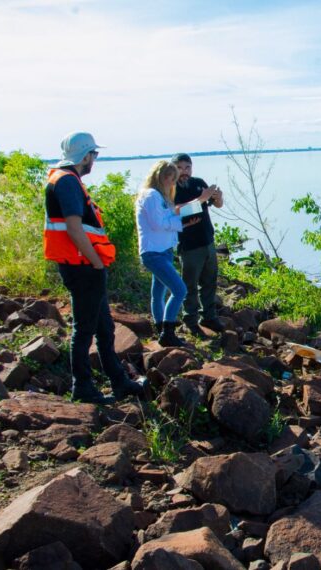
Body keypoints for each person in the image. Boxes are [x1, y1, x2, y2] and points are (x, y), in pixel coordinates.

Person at [43, 132, 146, 404]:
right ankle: (83, 388)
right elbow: (74, 228)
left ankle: (119, 381)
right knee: (85, 329)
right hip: (82, 266)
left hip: (81, 264)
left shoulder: (64, 179)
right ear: (85, 156)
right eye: (94, 154)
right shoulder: (67, 181)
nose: (95, 160)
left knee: (104, 327)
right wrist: (97, 262)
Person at [135, 160, 214, 346]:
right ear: (160, 177)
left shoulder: (161, 196)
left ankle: (160, 328)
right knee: (180, 290)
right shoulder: (151, 195)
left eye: (174, 179)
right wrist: (183, 223)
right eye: (170, 178)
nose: (173, 182)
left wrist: (200, 203)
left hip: (163, 250)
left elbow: (175, 212)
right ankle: (168, 333)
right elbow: (158, 223)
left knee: (158, 293)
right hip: (153, 252)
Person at [170, 153, 225, 336]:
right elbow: (177, 211)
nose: (184, 172)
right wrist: (202, 198)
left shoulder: (198, 183)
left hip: (207, 240)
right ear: (173, 169)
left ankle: (209, 316)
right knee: (190, 285)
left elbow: (217, 204)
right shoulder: (171, 188)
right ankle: (190, 321)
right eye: (180, 168)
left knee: (209, 281)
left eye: (187, 167)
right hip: (189, 245)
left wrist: (218, 197)